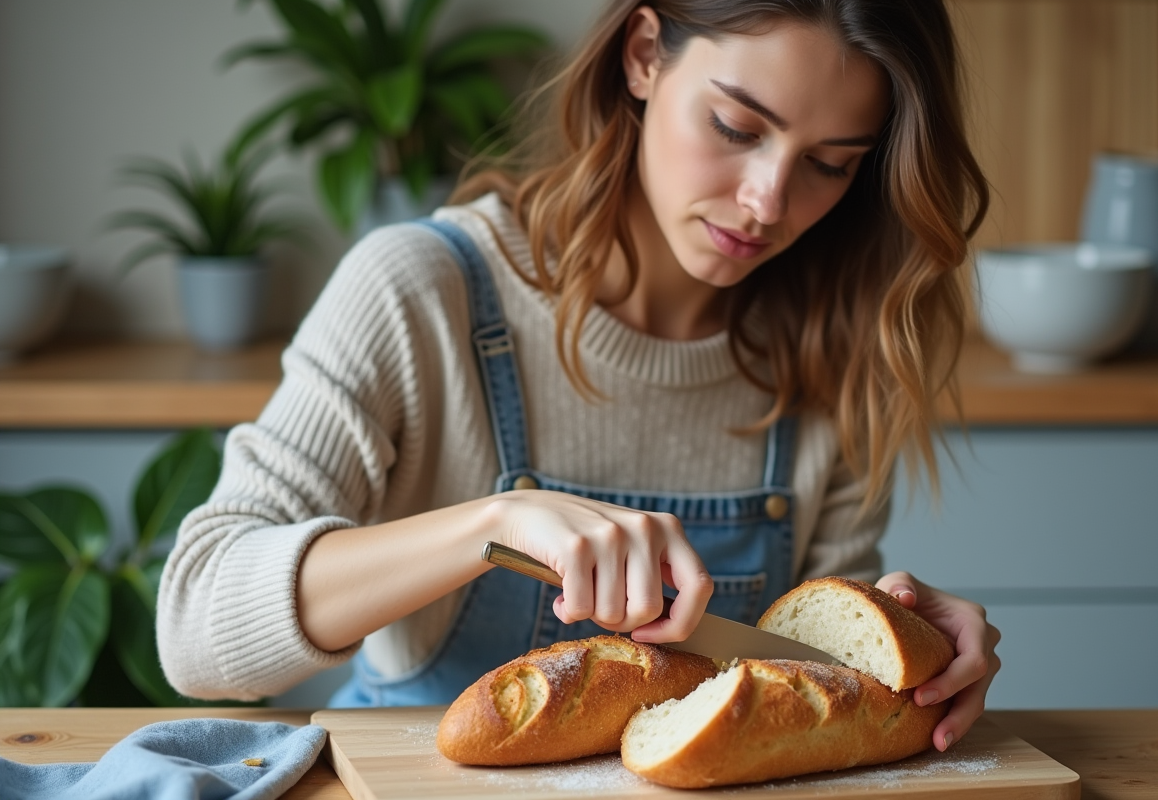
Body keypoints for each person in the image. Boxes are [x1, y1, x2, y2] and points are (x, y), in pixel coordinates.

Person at [158, 0, 1001, 753]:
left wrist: (906, 652)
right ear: (642, 54)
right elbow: (195, 631)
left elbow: (807, 697)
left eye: (830, 163)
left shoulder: (841, 360)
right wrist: (494, 524)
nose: (767, 201)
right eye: (737, 128)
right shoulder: (420, 289)